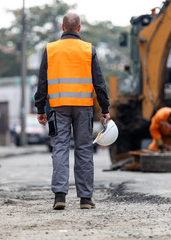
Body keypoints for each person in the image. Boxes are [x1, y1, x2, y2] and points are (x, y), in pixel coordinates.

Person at [34, 13, 110, 210]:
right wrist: (105, 109)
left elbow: (42, 81)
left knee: (59, 147)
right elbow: (99, 82)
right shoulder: (88, 49)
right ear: (79, 28)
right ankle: (85, 199)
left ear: (62, 27)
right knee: (84, 149)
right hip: (83, 107)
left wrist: (40, 108)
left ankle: (60, 196)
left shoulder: (51, 49)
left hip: (58, 107)